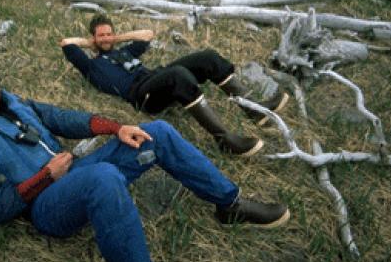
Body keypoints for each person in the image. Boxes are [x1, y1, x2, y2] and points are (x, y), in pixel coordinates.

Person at [0, 58, 290, 262]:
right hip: (43, 206)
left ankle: (229, 204)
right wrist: (45, 177)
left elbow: (64, 118)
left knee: (158, 132)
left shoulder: (13, 105)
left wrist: (117, 127)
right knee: (104, 177)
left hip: (72, 174)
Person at [59, 13, 289, 156]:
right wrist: (93, 44)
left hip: (155, 77)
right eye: (101, 35)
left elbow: (148, 34)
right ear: (92, 38)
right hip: (141, 95)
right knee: (177, 74)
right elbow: (67, 43)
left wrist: (114, 39)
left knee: (207, 57)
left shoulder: (125, 50)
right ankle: (225, 139)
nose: (107, 38)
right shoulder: (90, 65)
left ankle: (254, 109)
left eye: (109, 33)